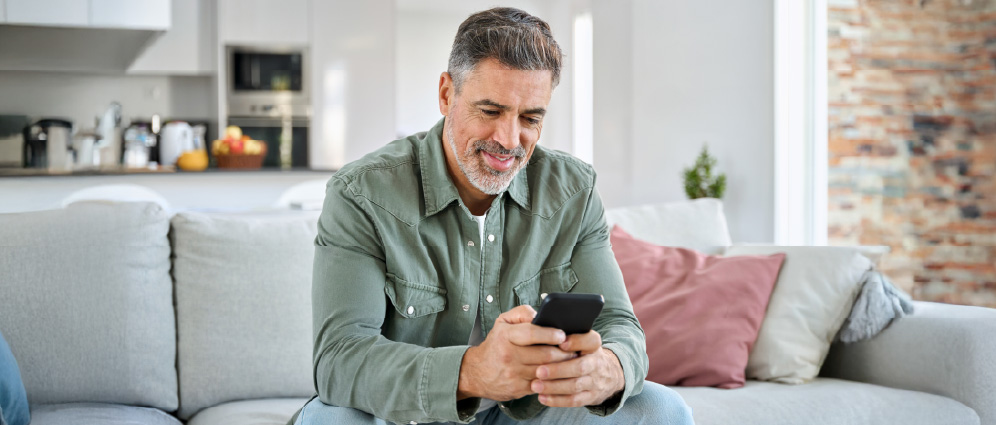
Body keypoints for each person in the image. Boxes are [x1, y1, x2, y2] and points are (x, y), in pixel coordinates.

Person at [291, 7, 695, 425]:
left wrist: (609, 367)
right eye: (490, 111)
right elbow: (339, 359)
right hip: (406, 416)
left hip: (527, 412)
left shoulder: (574, 191)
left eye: (530, 118)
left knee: (662, 411)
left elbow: (619, 325)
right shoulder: (362, 194)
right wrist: (473, 372)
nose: (508, 140)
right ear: (447, 94)